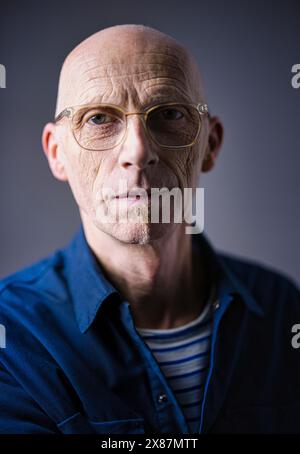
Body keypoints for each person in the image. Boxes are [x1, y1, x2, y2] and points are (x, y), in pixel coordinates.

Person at [0, 24, 299, 435]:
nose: (138, 151)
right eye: (99, 118)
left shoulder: (283, 311)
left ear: (209, 145)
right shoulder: (11, 339)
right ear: (57, 154)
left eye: (170, 114)